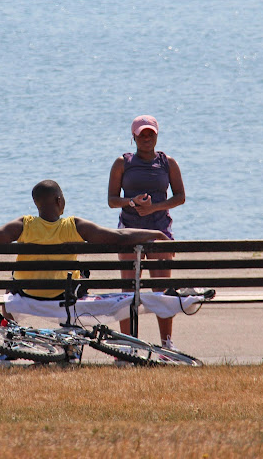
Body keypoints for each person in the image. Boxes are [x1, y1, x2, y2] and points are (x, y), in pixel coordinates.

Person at [0, 179, 169, 312]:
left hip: (26, 294)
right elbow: (118, 236)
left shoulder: (24, 225)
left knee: (10, 290)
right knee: (80, 275)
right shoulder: (75, 226)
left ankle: (8, 341)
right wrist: (153, 233)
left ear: (36, 204)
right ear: (59, 201)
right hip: (65, 295)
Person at [107, 115, 186, 350]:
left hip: (160, 230)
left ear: (157, 135)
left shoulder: (167, 163)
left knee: (162, 291)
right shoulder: (122, 163)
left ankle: (166, 344)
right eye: (142, 134)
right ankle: (129, 344)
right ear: (133, 137)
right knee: (128, 290)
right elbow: (112, 201)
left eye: (150, 133)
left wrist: (154, 207)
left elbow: (180, 196)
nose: (146, 138)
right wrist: (132, 202)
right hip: (129, 232)